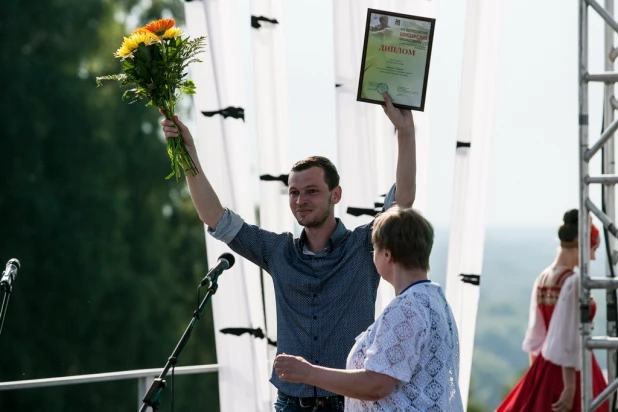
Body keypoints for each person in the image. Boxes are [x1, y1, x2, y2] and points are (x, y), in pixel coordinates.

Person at [160, 92, 417, 411]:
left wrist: (406, 132)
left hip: (348, 404)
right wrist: (187, 153)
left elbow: (402, 204)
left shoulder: (364, 246)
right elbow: (214, 216)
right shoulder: (277, 250)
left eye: (311, 191)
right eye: (294, 193)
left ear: (335, 194)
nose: (300, 200)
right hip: (289, 403)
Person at [273, 207, 463, 411]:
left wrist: (308, 372)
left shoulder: (407, 308)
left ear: (387, 254)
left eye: (375, 249)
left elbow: (376, 385)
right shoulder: (434, 298)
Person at [496, 209, 608, 412]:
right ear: (579, 243)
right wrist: (570, 386)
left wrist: (536, 378)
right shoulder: (572, 281)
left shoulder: (543, 277)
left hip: (545, 364)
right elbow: (567, 335)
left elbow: (535, 334)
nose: (592, 257)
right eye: (592, 248)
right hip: (571, 370)